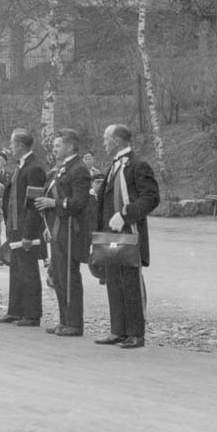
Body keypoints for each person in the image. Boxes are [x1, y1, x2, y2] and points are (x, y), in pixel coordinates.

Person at [94, 124, 160, 348]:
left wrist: (125, 215)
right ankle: (118, 330)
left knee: (131, 282)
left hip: (128, 232)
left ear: (118, 141)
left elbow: (150, 197)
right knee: (114, 281)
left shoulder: (138, 165)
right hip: (111, 234)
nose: (104, 142)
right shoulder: (114, 166)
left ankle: (135, 333)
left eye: (106, 138)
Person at [35, 129, 93, 337]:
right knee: (58, 276)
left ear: (69, 146)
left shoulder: (79, 169)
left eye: (58, 145)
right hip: (57, 230)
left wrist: (54, 202)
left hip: (71, 230)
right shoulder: (62, 168)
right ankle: (64, 320)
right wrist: (47, 227)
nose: (55, 149)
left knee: (69, 276)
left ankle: (75, 324)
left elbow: (79, 202)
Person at [0, 128, 46, 327]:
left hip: (27, 229)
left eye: (12, 144)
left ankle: (32, 314)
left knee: (28, 271)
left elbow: (34, 205)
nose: (10, 147)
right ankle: (15, 310)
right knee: (16, 270)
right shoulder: (20, 167)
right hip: (15, 227)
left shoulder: (34, 169)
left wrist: (28, 233)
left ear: (21, 146)